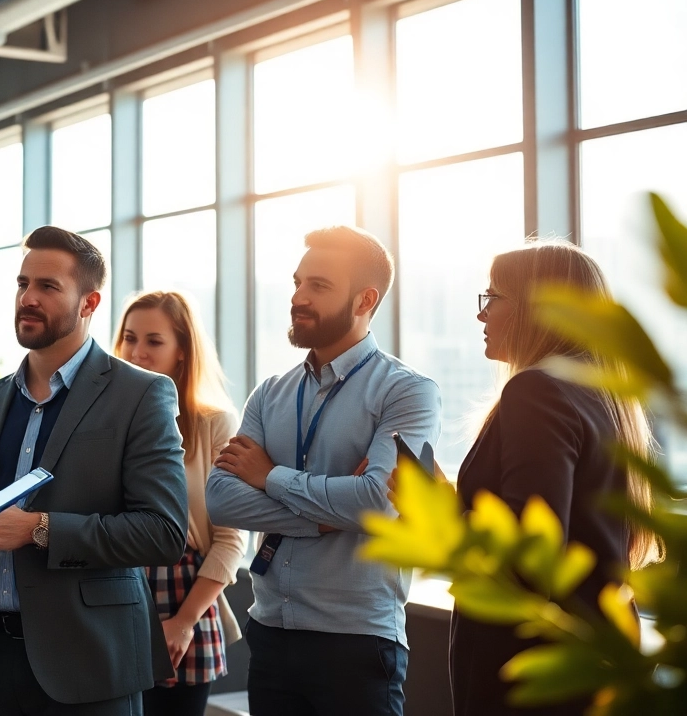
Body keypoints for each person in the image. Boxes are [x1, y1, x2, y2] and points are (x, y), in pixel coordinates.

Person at [0, 226, 189, 716]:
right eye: (22, 284)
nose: (28, 298)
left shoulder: (141, 394)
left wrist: (39, 529)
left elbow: (163, 533)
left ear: (89, 303)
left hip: (89, 662)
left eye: (48, 287)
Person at [205, 225, 441, 716]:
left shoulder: (407, 392)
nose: (297, 297)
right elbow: (221, 499)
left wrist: (269, 477)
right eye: (297, 282)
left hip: (356, 643)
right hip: (269, 635)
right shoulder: (270, 392)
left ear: (364, 300)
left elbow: (377, 501)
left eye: (319, 286)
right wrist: (332, 513)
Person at [446, 241, 658, 716]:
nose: (483, 316)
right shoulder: (604, 396)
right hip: (595, 653)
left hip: (531, 668)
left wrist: (439, 511)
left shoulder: (535, 391)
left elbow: (531, 558)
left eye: (492, 298)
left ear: (533, 310)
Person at [113, 290, 246, 716]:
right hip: (112, 588)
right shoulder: (105, 420)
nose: (137, 352)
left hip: (183, 598)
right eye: (130, 338)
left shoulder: (213, 423)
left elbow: (231, 539)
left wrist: (184, 621)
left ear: (182, 352)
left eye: (154, 341)